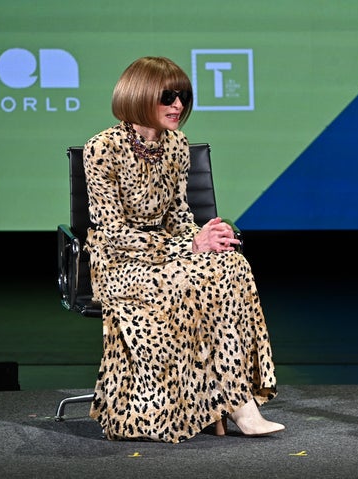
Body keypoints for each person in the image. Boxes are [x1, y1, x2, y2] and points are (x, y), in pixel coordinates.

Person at [82, 56, 284, 443]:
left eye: (183, 97)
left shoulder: (176, 144)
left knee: (232, 265)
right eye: (168, 97)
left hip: (163, 253)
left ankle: (237, 401)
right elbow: (113, 233)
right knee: (199, 276)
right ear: (140, 96)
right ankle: (232, 404)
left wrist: (206, 237)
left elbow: (177, 214)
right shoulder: (101, 149)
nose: (178, 105)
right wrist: (188, 245)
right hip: (119, 262)